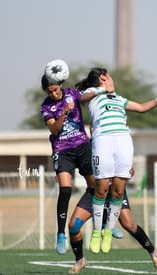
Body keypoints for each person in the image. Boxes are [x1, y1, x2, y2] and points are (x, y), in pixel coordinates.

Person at [75, 68, 157, 254]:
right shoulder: (91, 94)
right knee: (101, 189)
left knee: (118, 190)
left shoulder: (119, 99)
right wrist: (101, 90)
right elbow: (80, 99)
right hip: (103, 141)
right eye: (110, 77)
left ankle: (107, 231)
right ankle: (97, 232)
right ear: (104, 78)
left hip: (123, 141)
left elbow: (141, 108)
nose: (113, 80)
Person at [40, 72, 100, 255]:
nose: (55, 94)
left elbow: (84, 98)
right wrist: (64, 112)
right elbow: (55, 129)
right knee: (65, 189)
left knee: (96, 188)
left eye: (56, 90)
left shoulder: (71, 93)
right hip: (62, 150)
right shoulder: (46, 106)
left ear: (60, 85)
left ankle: (104, 223)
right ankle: (60, 234)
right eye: (50, 92)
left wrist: (100, 91)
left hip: (82, 146)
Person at [67, 170, 157, 274]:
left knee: (128, 224)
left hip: (115, 191)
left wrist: (125, 174)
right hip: (94, 192)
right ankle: (80, 260)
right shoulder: (89, 154)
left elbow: (131, 170)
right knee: (73, 226)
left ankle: (152, 251)